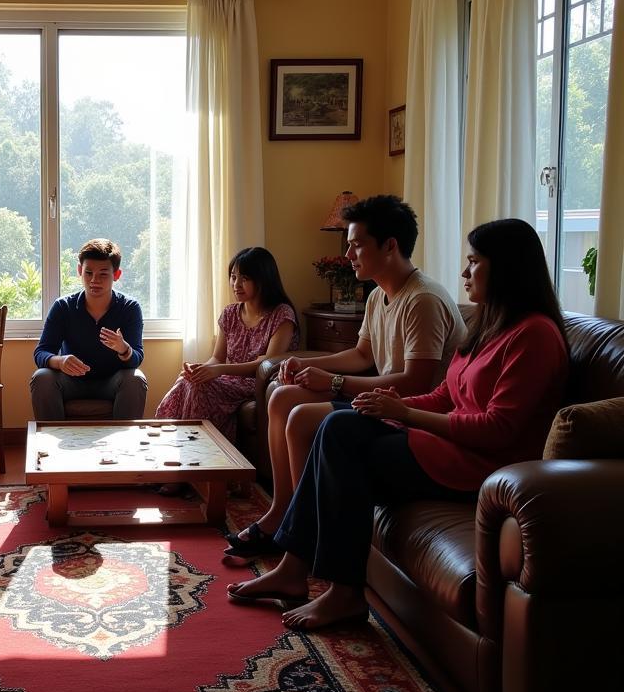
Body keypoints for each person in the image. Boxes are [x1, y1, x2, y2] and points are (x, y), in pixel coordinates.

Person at [226, 218, 568, 630]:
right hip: (442, 444)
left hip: (476, 466)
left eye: (474, 262)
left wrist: (405, 413)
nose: (464, 272)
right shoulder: (489, 326)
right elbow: (446, 395)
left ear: (507, 269)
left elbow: (499, 429)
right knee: (338, 428)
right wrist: (387, 406)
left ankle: (339, 590)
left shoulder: (535, 336)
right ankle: (299, 569)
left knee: (340, 436)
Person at [225, 194, 465, 561]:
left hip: (413, 413)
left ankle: (298, 527)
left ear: (389, 246)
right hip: (382, 401)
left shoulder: (423, 300)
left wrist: (334, 383)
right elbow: (362, 355)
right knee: (282, 394)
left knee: (301, 413)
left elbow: (417, 383)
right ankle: (282, 512)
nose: (349, 255)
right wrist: (305, 365)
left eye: (356, 245)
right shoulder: (376, 296)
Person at [155, 245, 299, 443]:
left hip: (258, 382)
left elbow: (268, 364)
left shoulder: (282, 315)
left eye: (245, 278)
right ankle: (169, 442)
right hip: (229, 378)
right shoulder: (230, 313)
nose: (236, 284)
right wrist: (201, 369)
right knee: (187, 381)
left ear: (263, 280)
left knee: (201, 388)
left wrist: (219, 371)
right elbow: (217, 357)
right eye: (233, 276)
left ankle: (204, 451)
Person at [30, 238, 147, 421]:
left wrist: (123, 349)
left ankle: (125, 445)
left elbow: (137, 358)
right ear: (79, 271)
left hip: (112, 383)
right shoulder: (63, 307)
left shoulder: (129, 308)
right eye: (89, 273)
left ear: (116, 275)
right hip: (70, 383)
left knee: (135, 378)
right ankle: (50, 444)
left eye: (103, 274)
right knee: (42, 376)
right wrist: (60, 362)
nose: (94, 281)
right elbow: (41, 352)